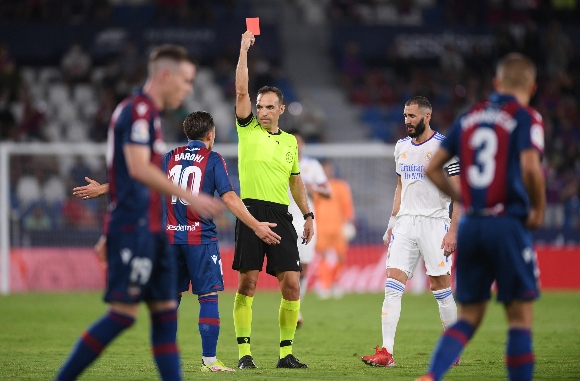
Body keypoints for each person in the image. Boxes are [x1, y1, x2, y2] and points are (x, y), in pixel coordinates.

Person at [54, 44, 224, 381]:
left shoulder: (150, 116)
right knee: (123, 315)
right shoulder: (139, 112)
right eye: (186, 81)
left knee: (163, 314)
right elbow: (137, 169)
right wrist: (193, 197)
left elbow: (134, 176)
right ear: (165, 75)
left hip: (153, 230)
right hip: (134, 230)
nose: (188, 89)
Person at [72, 111, 283, 373]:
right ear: (210, 134)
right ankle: (209, 362)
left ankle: (167, 361)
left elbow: (136, 177)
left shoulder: (169, 157)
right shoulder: (213, 159)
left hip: (169, 239)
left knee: (170, 299)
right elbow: (229, 199)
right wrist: (256, 225)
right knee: (207, 297)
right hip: (200, 240)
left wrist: (101, 189)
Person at [417, 53, 545, 381]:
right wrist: (538, 209)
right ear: (532, 86)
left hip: (472, 225)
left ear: (496, 84)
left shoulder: (469, 116)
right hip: (506, 224)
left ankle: (432, 376)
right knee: (519, 319)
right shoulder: (526, 116)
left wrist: (467, 198)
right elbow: (531, 166)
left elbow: (433, 168)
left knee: (469, 316)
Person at [232, 30, 313, 370]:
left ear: (281, 109)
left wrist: (308, 214)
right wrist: (243, 50)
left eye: (268, 107)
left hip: (282, 215)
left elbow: (296, 182)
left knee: (292, 285)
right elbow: (240, 89)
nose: (262, 112)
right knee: (248, 283)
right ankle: (244, 355)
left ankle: (285, 354)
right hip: (251, 212)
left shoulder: (291, 143)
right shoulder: (247, 128)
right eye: (259, 106)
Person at [361, 96, 461, 368]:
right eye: (405, 116)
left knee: (440, 288)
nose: (407, 121)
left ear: (427, 117)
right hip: (405, 223)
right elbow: (400, 187)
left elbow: (459, 192)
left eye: (412, 116)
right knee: (392, 287)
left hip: (434, 222)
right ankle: (386, 352)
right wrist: (391, 224)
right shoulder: (401, 147)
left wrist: (453, 230)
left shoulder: (444, 146)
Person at [286, 129, 331, 327]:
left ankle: (296, 308)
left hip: (306, 221)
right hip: (285, 219)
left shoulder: (312, 165)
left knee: (303, 267)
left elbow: (327, 191)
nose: (296, 146)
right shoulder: (280, 162)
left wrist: (314, 188)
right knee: (289, 267)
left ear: (303, 144)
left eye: (299, 142)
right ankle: (291, 309)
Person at [313, 159, 355, 299]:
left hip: (338, 227)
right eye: (324, 169)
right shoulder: (316, 188)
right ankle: (324, 285)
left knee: (341, 256)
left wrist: (349, 221)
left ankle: (335, 282)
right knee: (324, 256)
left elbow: (347, 205)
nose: (327, 172)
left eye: (329, 169)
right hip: (322, 227)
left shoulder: (341, 186)